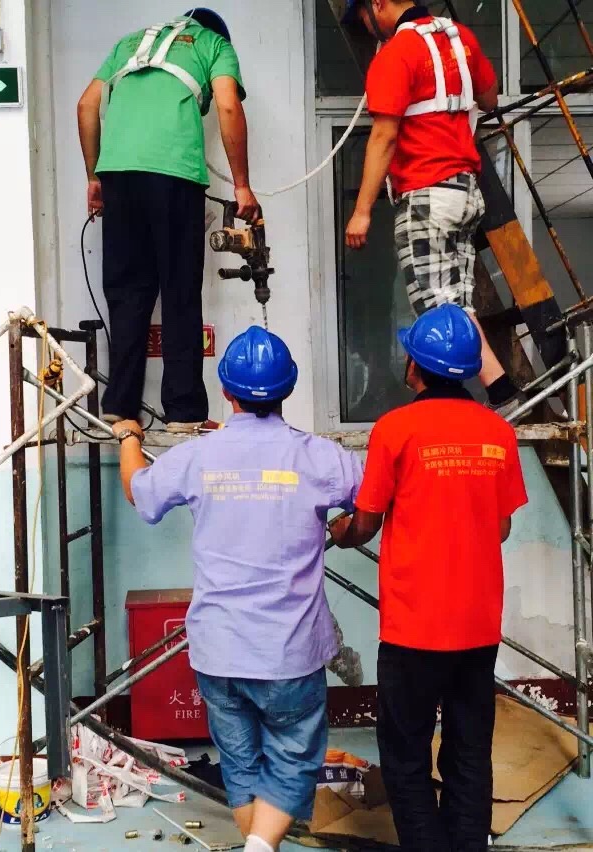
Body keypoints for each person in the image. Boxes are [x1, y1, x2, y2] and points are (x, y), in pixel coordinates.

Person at [111, 326, 364, 852]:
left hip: (218, 649)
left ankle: (256, 844)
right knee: (294, 757)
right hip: (289, 651)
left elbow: (140, 492)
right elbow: (371, 501)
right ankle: (260, 847)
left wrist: (129, 438)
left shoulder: (199, 455)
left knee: (241, 761)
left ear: (226, 392)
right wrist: (345, 530)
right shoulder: (320, 457)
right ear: (288, 388)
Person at [330, 304, 528, 852]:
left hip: (413, 628)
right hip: (477, 625)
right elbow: (502, 527)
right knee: (470, 751)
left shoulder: (395, 429)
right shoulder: (497, 431)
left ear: (414, 365)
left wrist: (342, 531)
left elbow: (366, 523)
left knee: (405, 753)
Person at [78, 9, 259, 430]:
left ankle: (120, 405)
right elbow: (228, 105)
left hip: (117, 176)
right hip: (174, 176)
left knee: (126, 292)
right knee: (179, 290)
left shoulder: (129, 43)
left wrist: (94, 178)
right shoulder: (214, 44)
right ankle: (183, 411)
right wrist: (242, 186)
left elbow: (86, 106)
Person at [342, 0, 523, 418]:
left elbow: (384, 137)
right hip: (464, 191)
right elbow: (489, 98)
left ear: (378, 4)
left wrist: (362, 210)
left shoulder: (395, 55)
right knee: (457, 303)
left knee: (437, 308)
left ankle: (492, 392)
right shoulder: (461, 39)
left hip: (426, 195)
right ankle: (493, 391)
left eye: (365, 18)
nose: (367, 28)